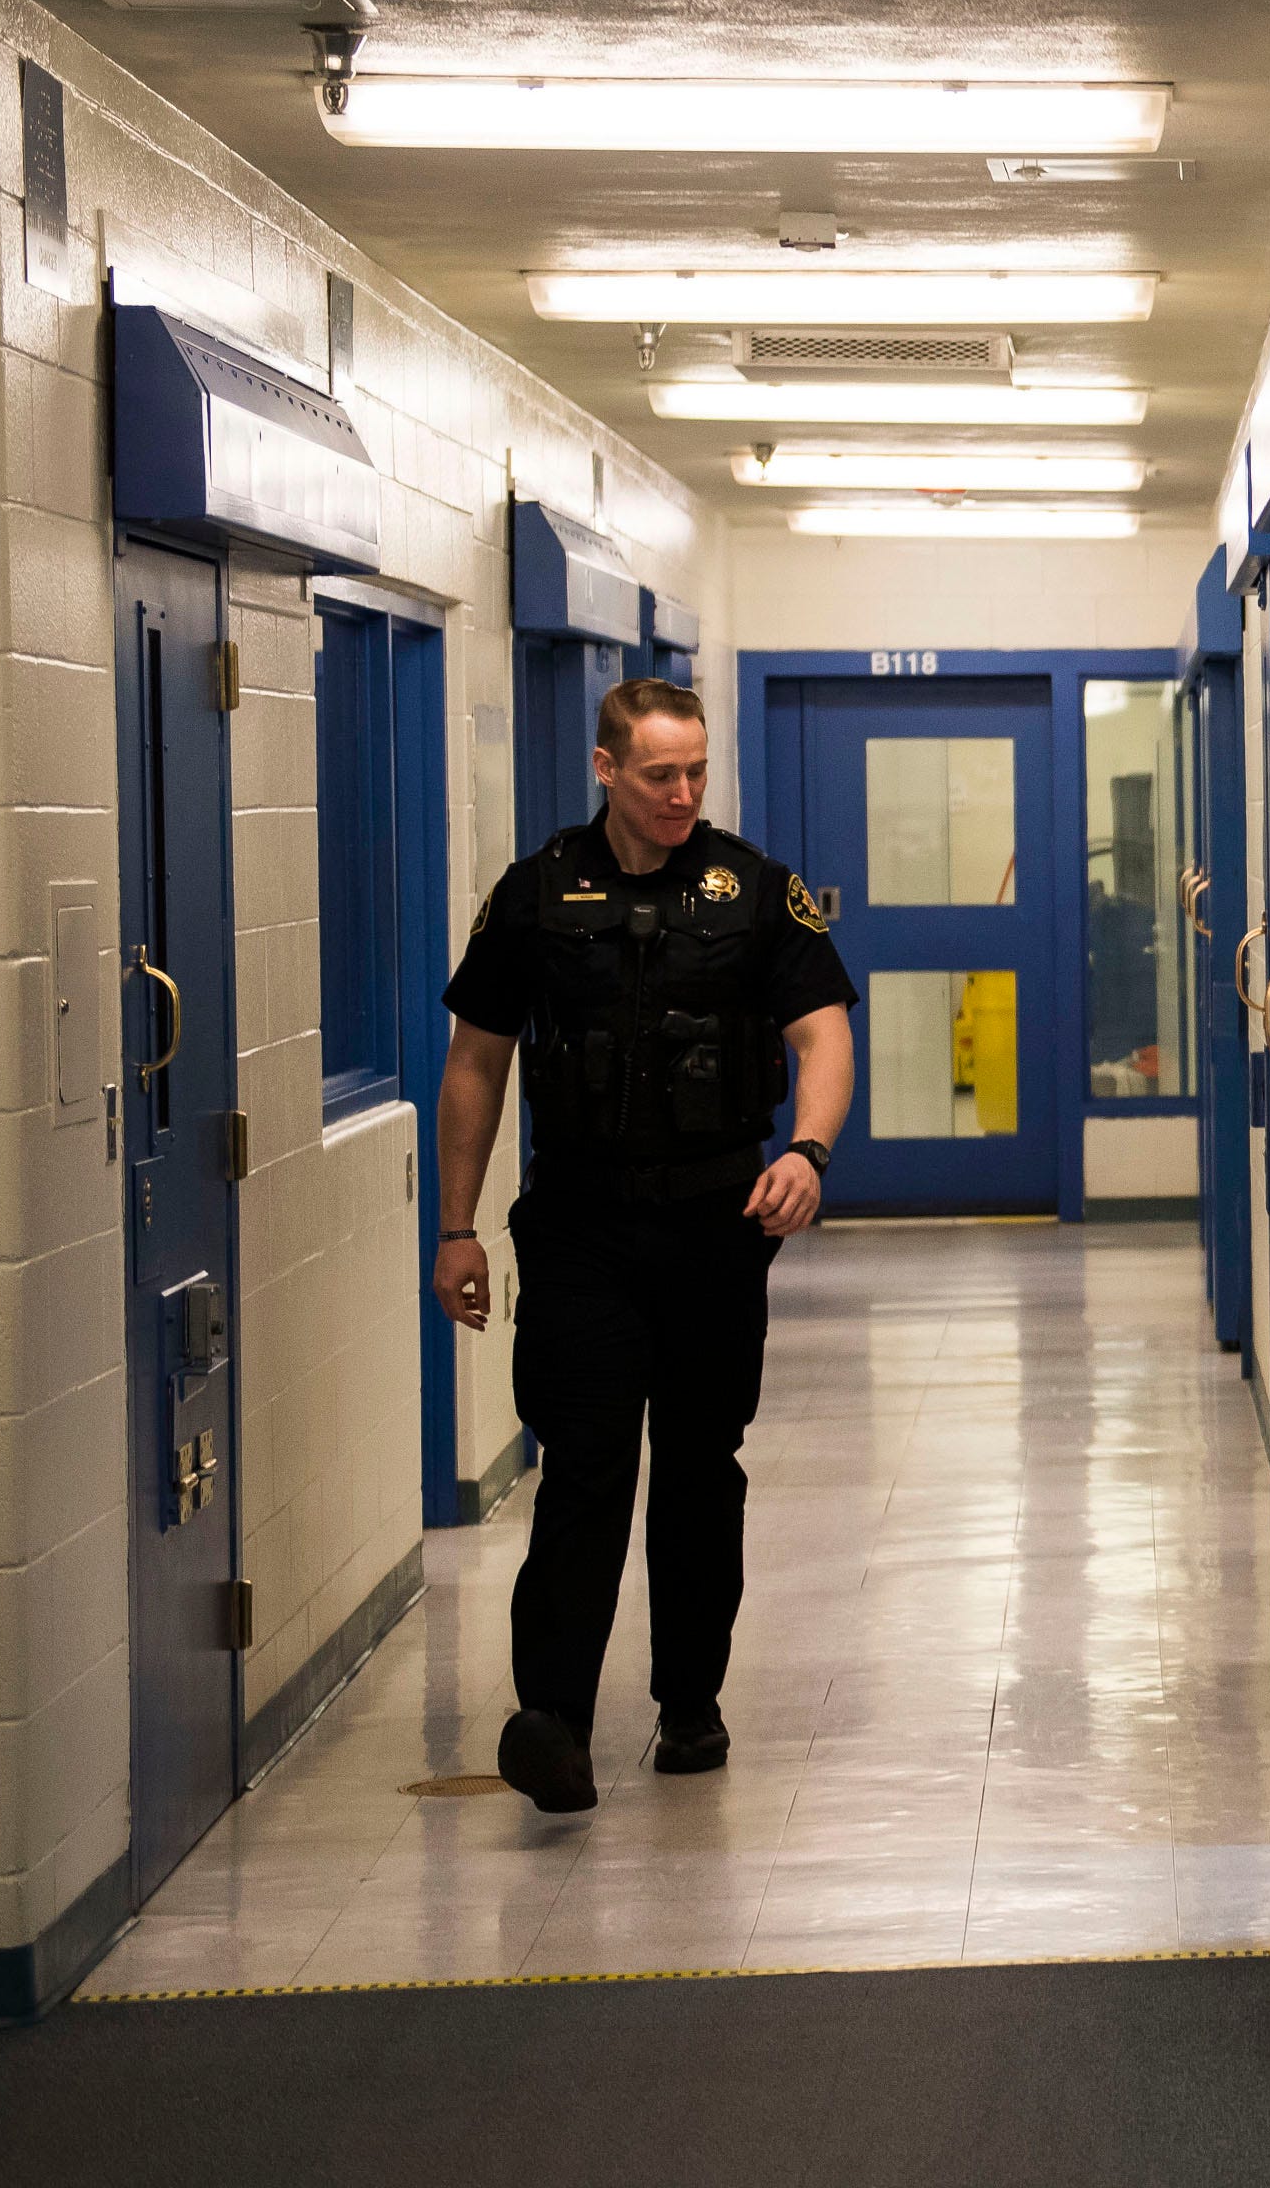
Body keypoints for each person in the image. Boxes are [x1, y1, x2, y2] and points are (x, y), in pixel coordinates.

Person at [431, 677, 856, 1815]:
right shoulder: (534, 896)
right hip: (579, 1226)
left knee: (701, 1470)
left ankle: (690, 1703)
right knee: (584, 1467)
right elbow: (476, 1064)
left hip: (719, 1224)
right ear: (607, 769)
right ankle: (554, 1721)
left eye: (697, 772)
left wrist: (807, 1153)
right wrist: (455, 1226)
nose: (682, 794)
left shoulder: (758, 891)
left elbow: (823, 1033)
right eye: (660, 773)